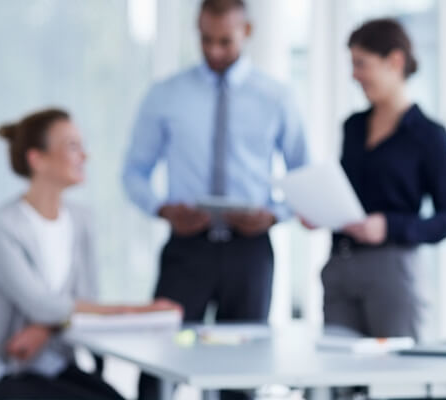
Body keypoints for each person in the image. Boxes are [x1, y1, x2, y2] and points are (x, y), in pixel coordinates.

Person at [121, 0, 307, 397]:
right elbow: (134, 173)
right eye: (206, 40)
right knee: (158, 367)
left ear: (247, 32)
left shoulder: (276, 97)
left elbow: (304, 178)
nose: (215, 51)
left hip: (249, 252)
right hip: (187, 249)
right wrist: (161, 208)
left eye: (225, 41)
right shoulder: (166, 95)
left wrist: (274, 215)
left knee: (241, 372)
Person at [0, 109, 181, 400]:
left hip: (53, 363)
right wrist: (136, 310)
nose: (85, 156)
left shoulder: (81, 220)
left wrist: (44, 329)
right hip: (1, 370)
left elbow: (85, 299)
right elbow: (41, 305)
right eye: (72, 146)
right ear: (37, 159)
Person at [319, 18, 446, 339]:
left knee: (395, 365)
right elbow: (349, 194)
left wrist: (390, 226)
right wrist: (320, 210)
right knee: (335, 365)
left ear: (395, 62)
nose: (354, 75)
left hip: (392, 268)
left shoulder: (429, 135)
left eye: (361, 64)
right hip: (340, 263)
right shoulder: (353, 127)